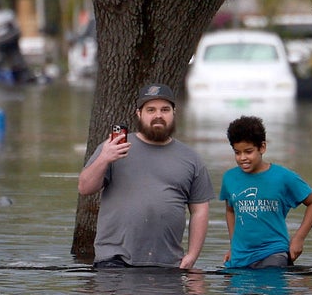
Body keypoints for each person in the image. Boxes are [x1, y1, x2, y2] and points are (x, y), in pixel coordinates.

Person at [78, 83, 214, 269]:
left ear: (174, 113)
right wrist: (104, 158)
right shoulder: (114, 148)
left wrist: (191, 256)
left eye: (165, 109)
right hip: (115, 261)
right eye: (150, 109)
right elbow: (85, 188)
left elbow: (200, 211)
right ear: (139, 114)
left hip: (168, 263)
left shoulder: (191, 158)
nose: (158, 115)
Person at [220, 115, 312, 269]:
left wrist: (298, 239)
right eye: (237, 152)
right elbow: (230, 211)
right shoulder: (229, 178)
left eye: (248, 151)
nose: (242, 158)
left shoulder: (283, 177)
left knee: (270, 292)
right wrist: (233, 246)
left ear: (262, 147)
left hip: (273, 253)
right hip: (241, 256)